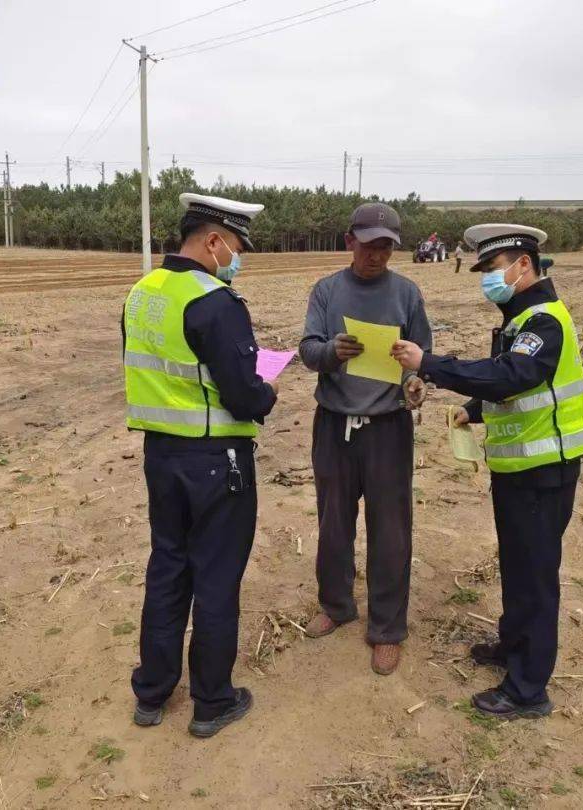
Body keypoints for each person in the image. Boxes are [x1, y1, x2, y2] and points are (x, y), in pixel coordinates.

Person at [391, 224, 583, 719]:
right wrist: (474, 409)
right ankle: (513, 647)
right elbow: (515, 387)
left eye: (494, 268)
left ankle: (528, 690)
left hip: (545, 470)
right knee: (518, 566)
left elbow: (513, 376)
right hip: (520, 469)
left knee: (535, 576)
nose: (487, 278)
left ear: (524, 264)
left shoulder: (544, 321)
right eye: (482, 270)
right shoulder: (519, 318)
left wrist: (431, 364)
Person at [123, 193, 278, 738]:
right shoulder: (217, 302)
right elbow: (244, 397)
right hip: (217, 461)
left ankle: (152, 692)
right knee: (215, 579)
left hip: (160, 457)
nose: (238, 259)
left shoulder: (142, 293)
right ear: (213, 242)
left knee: (168, 567)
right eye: (236, 247)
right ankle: (213, 700)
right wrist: (267, 390)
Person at [298, 202, 433, 676]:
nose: (377, 255)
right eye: (369, 244)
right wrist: (332, 351)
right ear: (349, 240)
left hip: (388, 429)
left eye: (386, 247)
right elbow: (307, 351)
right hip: (334, 425)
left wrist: (416, 384)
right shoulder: (327, 291)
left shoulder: (408, 295)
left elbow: (423, 359)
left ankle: (387, 628)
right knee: (333, 521)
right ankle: (336, 605)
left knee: (391, 530)